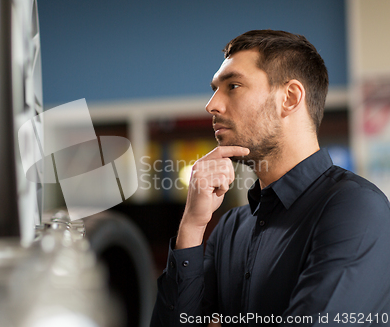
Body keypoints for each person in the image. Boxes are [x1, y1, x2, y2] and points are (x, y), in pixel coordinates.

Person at [150, 30, 390, 327]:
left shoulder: (356, 207)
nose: (212, 105)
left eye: (233, 86)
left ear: (289, 98)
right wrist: (191, 227)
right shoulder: (229, 228)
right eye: (215, 89)